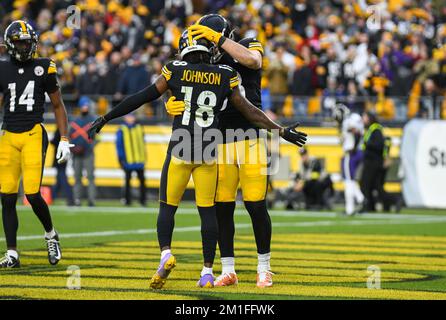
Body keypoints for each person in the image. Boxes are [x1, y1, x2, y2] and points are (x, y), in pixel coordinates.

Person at [88, 30, 307, 288]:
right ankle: (215, 270)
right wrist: (174, 101)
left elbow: (253, 62)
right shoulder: (221, 72)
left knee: (244, 206)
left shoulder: (238, 47)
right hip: (214, 146)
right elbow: (247, 108)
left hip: (220, 142)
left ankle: (253, 266)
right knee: (216, 210)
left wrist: (106, 117)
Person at [184, 13, 278, 288]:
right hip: (220, 140)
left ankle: (264, 267)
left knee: (256, 205)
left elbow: (253, 61)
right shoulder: (204, 59)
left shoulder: (248, 43)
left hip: (250, 137)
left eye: (207, 38)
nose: (205, 44)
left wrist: (220, 40)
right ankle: (228, 269)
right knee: (222, 209)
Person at [0, 21, 72, 268]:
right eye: (19, 41)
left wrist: (64, 138)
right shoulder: (2, 69)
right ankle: (12, 253)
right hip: (8, 135)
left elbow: (57, 104)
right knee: (7, 197)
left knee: (32, 193)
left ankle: (51, 234)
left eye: (27, 41)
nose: (24, 46)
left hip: (32, 133)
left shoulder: (44, 66)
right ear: (10, 43)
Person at [333, 104, 364, 216]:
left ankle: (351, 207)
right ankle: (359, 199)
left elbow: (355, 132)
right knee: (350, 180)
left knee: (348, 181)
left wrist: (353, 147)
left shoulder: (348, 121)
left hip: (351, 153)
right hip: (359, 151)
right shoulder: (355, 117)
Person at [70, 97, 96, 207]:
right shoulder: (74, 121)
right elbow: (69, 136)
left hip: (88, 154)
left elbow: (97, 138)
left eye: (86, 106)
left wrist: (88, 147)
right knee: (77, 177)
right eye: (83, 106)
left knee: (90, 177)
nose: (85, 108)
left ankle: (91, 200)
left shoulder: (93, 121)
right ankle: (77, 199)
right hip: (76, 154)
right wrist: (72, 148)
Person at [116, 114, 146, 206]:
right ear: (125, 118)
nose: (130, 118)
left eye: (132, 116)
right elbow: (119, 145)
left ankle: (142, 200)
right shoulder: (122, 129)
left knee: (142, 181)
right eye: (129, 117)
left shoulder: (139, 128)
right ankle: (127, 200)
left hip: (139, 160)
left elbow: (142, 144)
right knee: (127, 181)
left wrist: (144, 157)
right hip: (128, 161)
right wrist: (121, 158)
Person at [360, 111, 385, 212]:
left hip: (373, 161)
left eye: (364, 117)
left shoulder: (375, 129)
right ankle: (371, 206)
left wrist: (367, 144)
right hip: (371, 160)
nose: (363, 119)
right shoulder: (370, 129)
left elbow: (379, 144)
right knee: (375, 185)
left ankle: (366, 206)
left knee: (364, 184)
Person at [51, 129, 74, 206]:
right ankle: (52, 198)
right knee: (59, 180)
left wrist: (52, 141)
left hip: (60, 158)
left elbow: (55, 141)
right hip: (63, 158)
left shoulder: (60, 131)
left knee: (63, 179)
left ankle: (70, 198)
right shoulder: (66, 131)